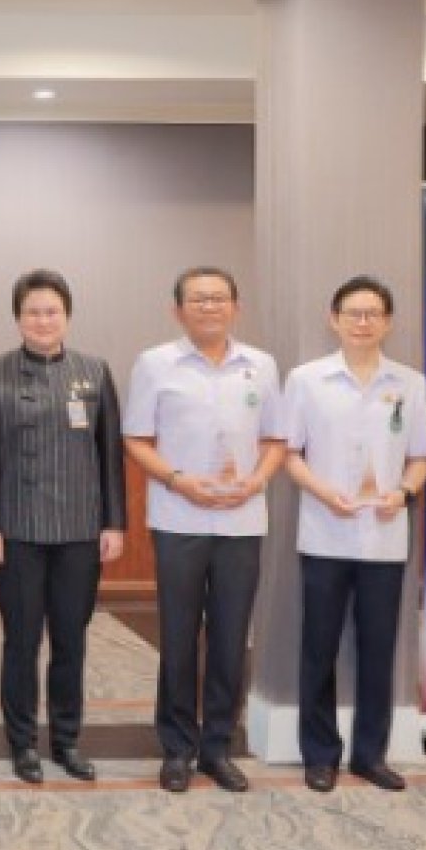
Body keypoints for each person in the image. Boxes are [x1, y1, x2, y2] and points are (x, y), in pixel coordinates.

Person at [124, 266, 285, 794]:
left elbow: (276, 439)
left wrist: (257, 481)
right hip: (179, 518)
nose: (209, 307)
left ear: (236, 307)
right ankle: (176, 748)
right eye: (198, 299)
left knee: (231, 637)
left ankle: (217, 746)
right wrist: (178, 480)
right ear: (178, 310)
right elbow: (137, 438)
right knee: (177, 636)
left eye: (218, 298)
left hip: (242, 520)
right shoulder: (155, 364)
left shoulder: (261, 366)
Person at [0, 269, 126, 784]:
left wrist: (115, 523)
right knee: (21, 642)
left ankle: (66, 740)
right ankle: (22, 744)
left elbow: (110, 455)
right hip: (16, 532)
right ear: (18, 318)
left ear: (67, 316)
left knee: (70, 640)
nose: (42, 320)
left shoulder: (93, 372)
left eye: (52, 311)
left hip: (80, 531)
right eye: (33, 312)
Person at [282, 277, 426, 793]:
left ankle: (370, 755)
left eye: (373, 314)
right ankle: (319, 754)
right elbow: (289, 454)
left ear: (388, 322)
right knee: (318, 649)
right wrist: (322, 492)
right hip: (324, 534)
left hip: (384, 538)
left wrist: (404, 494)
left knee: (378, 650)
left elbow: (421, 456)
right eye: (353, 313)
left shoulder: (409, 383)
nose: (363, 322)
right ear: (335, 319)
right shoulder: (306, 380)